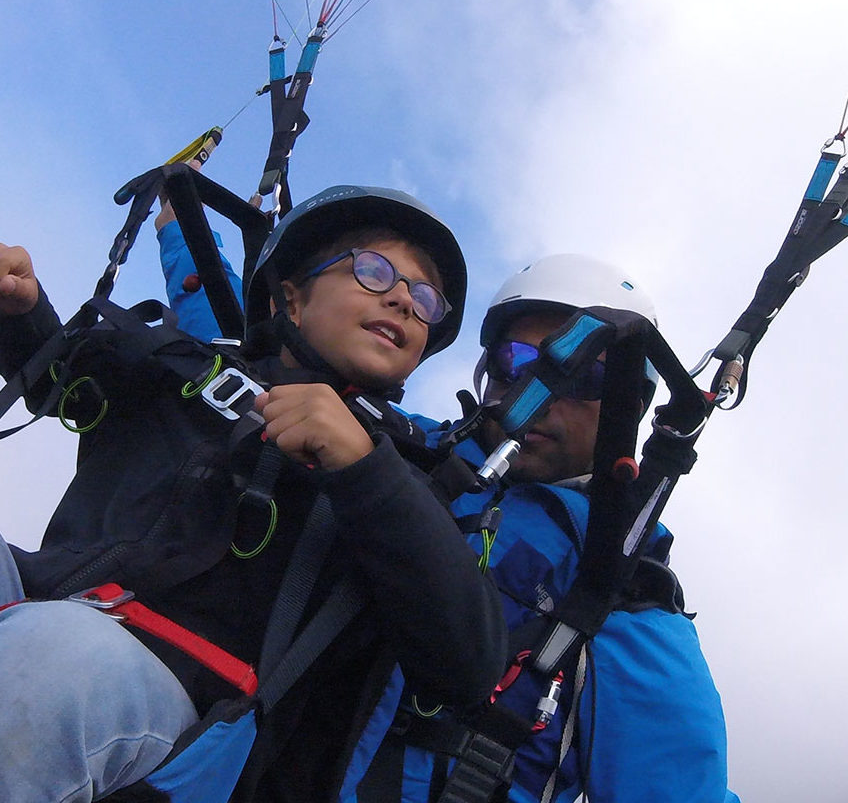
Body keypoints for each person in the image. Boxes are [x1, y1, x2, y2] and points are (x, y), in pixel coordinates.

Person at [155, 230, 739, 802]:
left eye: (585, 376)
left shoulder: (618, 591)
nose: (545, 389)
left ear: (629, 407)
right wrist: (176, 229)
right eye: (521, 360)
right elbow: (259, 360)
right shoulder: (402, 451)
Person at [0, 184, 507, 803]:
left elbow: (469, 664)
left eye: (426, 298)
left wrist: (365, 470)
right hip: (37, 601)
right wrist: (19, 311)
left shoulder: (415, 476)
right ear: (290, 299)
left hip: (190, 721)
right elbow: (75, 387)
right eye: (374, 270)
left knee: (56, 660)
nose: (404, 299)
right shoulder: (188, 367)